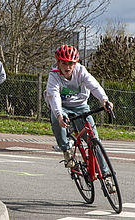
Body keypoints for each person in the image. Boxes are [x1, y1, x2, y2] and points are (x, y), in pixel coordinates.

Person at [45, 44, 113, 172]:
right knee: (56, 120)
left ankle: (105, 174)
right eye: (64, 63)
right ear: (58, 63)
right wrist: (59, 115)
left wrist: (105, 100)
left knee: (94, 139)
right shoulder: (53, 75)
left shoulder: (81, 71)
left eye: (71, 64)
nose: (68, 67)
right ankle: (66, 150)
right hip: (62, 107)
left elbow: (94, 86)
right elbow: (54, 96)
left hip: (81, 106)